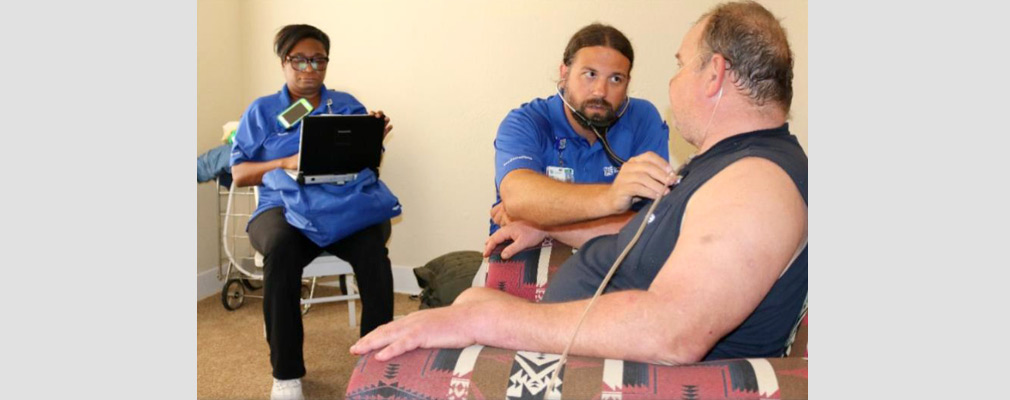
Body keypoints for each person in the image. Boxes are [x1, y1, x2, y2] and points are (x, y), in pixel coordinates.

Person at [352, 0, 807, 367]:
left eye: (681, 64)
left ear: (715, 75)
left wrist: (497, 320)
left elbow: (671, 332)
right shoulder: (729, 164)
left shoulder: (755, 183)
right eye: (589, 74)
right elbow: (649, 230)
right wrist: (551, 228)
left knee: (404, 353)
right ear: (564, 71)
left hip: (605, 362)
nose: (672, 82)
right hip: (594, 315)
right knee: (467, 298)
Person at [230, 24, 395, 400]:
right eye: (300, 60)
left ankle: (377, 359)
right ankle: (286, 375)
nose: (310, 69)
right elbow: (239, 173)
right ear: (284, 62)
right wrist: (286, 160)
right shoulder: (263, 110)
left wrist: (372, 139)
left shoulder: (345, 103)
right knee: (282, 251)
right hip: (283, 207)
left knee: (372, 249)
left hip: (340, 204)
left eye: (319, 60)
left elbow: (367, 165)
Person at [489, 23, 673, 251]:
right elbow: (518, 197)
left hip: (612, 256)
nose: (600, 91)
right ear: (564, 74)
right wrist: (612, 198)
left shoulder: (642, 119)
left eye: (616, 79)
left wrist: (546, 225)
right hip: (524, 250)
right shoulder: (526, 122)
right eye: (590, 74)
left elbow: (653, 225)